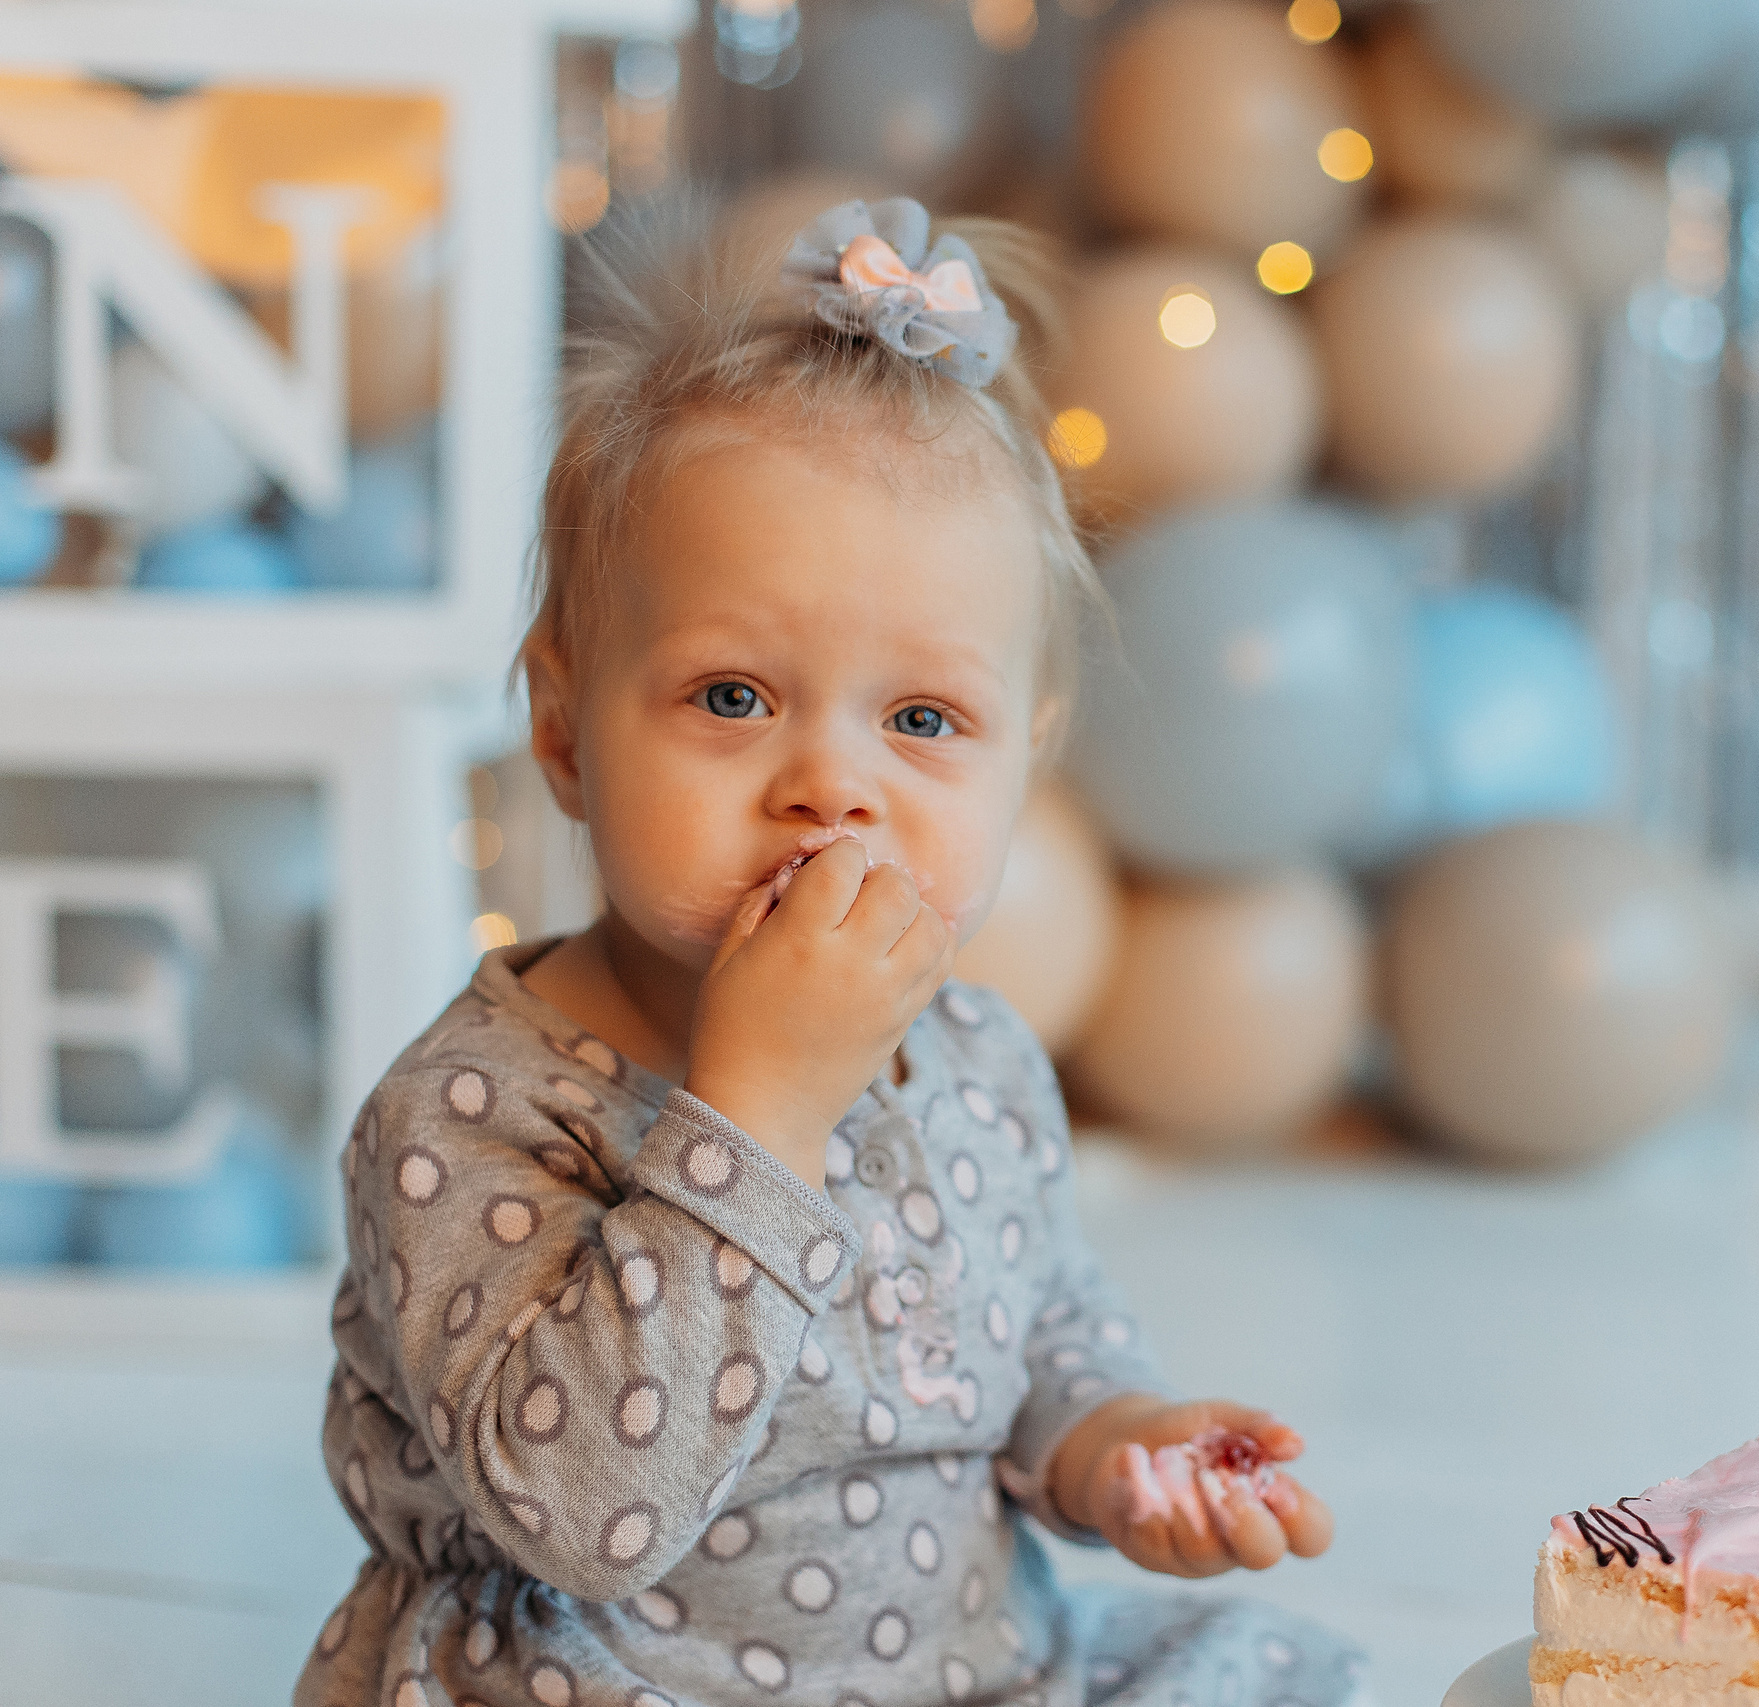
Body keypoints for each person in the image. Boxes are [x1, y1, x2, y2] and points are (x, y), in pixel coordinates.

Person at [299, 198, 1361, 1707]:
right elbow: (582, 1518)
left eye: (922, 722)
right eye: (733, 697)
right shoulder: (470, 1118)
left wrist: (1117, 1449)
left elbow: (1040, 1330)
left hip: (973, 1671)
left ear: (1023, 768)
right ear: (561, 730)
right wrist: (761, 1110)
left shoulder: (981, 1058)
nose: (832, 786)